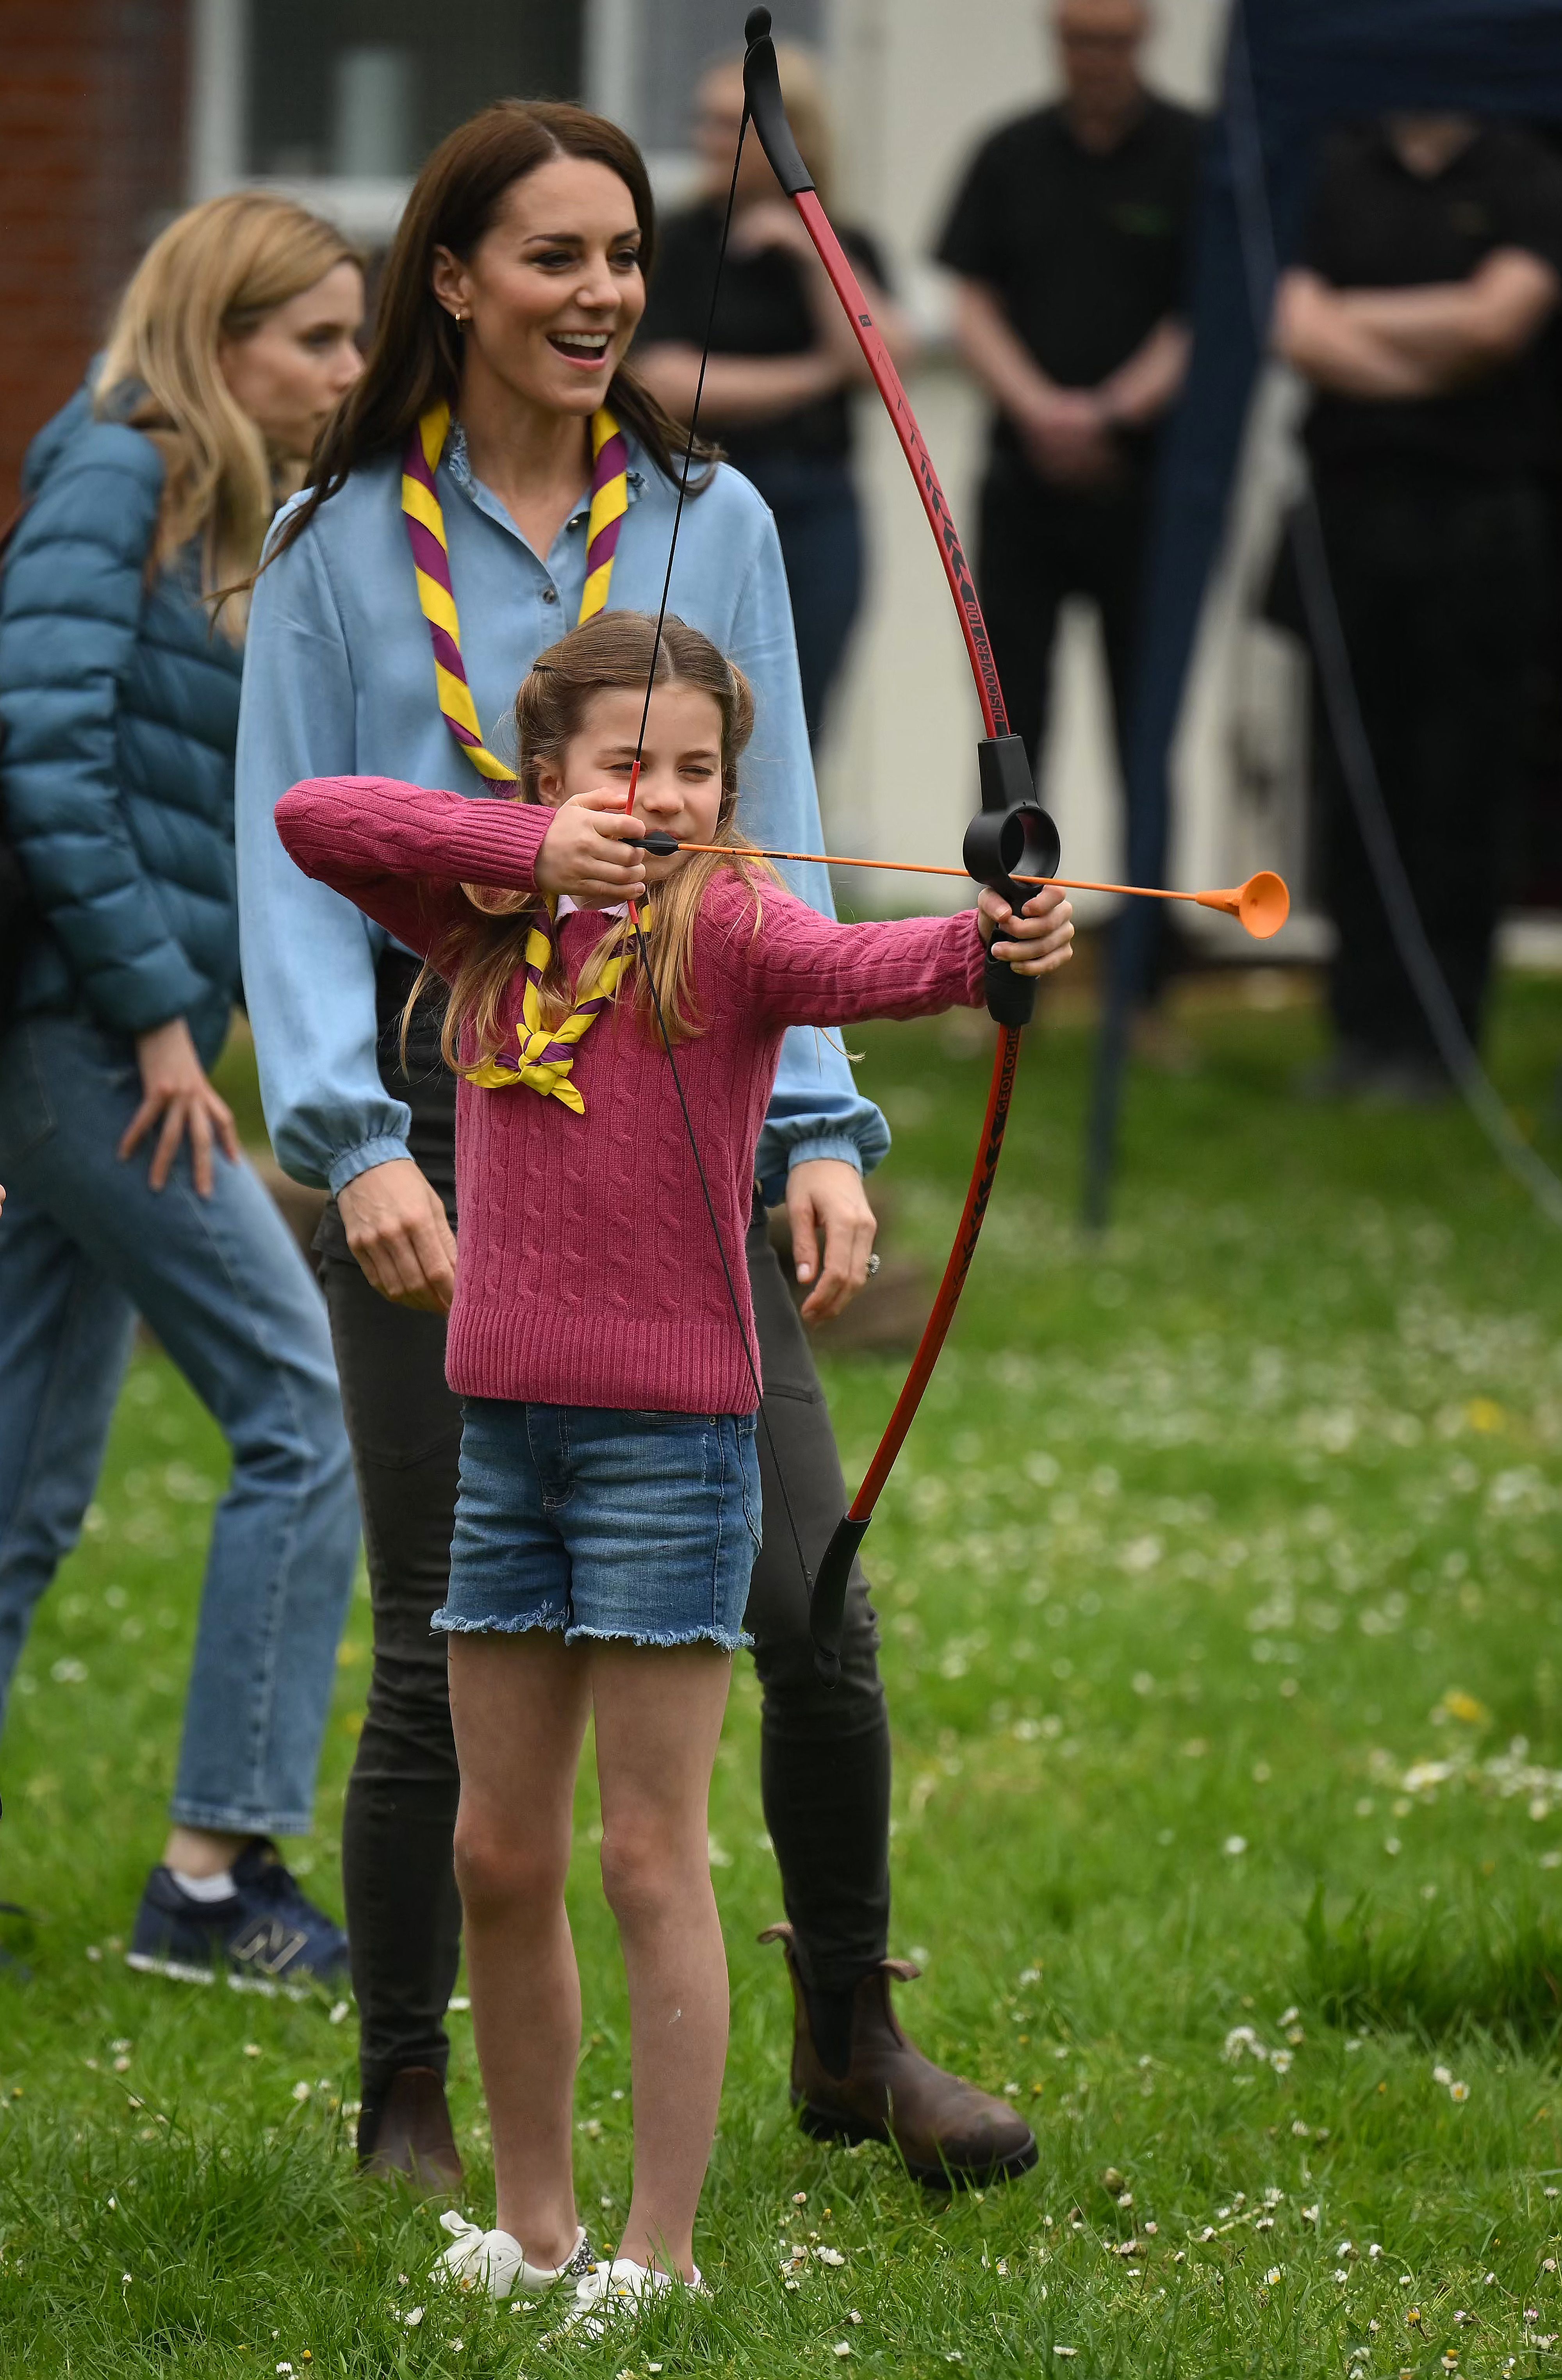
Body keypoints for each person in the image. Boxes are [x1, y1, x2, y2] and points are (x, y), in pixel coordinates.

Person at [237, 98, 1045, 2192]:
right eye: (554, 258)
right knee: (443, 1634)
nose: (603, 295)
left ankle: (852, 2034)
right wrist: (348, 1138)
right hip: (442, 1115)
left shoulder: (718, 519)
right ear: (453, 282)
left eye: (623, 260)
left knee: (806, 1590)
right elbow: (299, 854)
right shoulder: (340, 545)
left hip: (693, 1107)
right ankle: (408, 2088)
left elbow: (760, 869)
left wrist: (823, 1129)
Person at [271, 610, 1073, 2310]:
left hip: (670, 1452)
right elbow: (315, 820)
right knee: (503, 1851)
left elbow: (874, 970)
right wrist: (523, 849)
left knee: (646, 1855)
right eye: (629, 764)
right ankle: (539, 2229)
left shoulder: (727, 932)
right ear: (550, 773)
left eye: (699, 769)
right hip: (511, 1444)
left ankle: (659, 2254)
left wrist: (990, 948)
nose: (668, 796)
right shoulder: (483, 924)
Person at [0, 194, 366, 1979]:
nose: (346, 373)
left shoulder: (211, 499)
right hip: (87, 1053)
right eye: (316, 339)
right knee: (307, 1417)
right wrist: (160, 1016)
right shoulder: (118, 470)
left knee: (18, 1485)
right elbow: (42, 754)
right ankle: (212, 1884)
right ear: (218, 339)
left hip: (90, 1046)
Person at [1276, 114, 1562, 1098]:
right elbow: (1292, 326)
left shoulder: (1523, 171)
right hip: (1352, 518)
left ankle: (1440, 1040)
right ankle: (1359, 1030)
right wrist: (1429, 355)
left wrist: (1355, 322)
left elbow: (1501, 324)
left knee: (1459, 783)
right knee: (1356, 778)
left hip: (1480, 524)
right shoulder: (1338, 167)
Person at [936, 0, 1201, 778]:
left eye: (1112, 44)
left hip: (1148, 484)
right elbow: (969, 303)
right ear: (1055, 41)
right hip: (1023, 480)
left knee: (1146, 710)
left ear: (1144, 39)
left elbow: (1204, 314)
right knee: (1008, 711)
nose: (1095, 61)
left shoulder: (1193, 153)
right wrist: (1040, 410)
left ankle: (1149, 899)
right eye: (1079, 43)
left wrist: (1110, 412)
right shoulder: (1007, 153)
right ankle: (1009, 892)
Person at [635, 46, 915, 743]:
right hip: (698, 498)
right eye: (704, 121)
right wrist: (820, 374)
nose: (709, 139)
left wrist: (809, 251)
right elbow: (666, 382)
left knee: (801, 720)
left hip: (817, 509)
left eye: (733, 123)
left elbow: (884, 358)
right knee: (688, 708)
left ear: (792, 135)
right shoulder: (678, 241)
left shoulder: (840, 243)